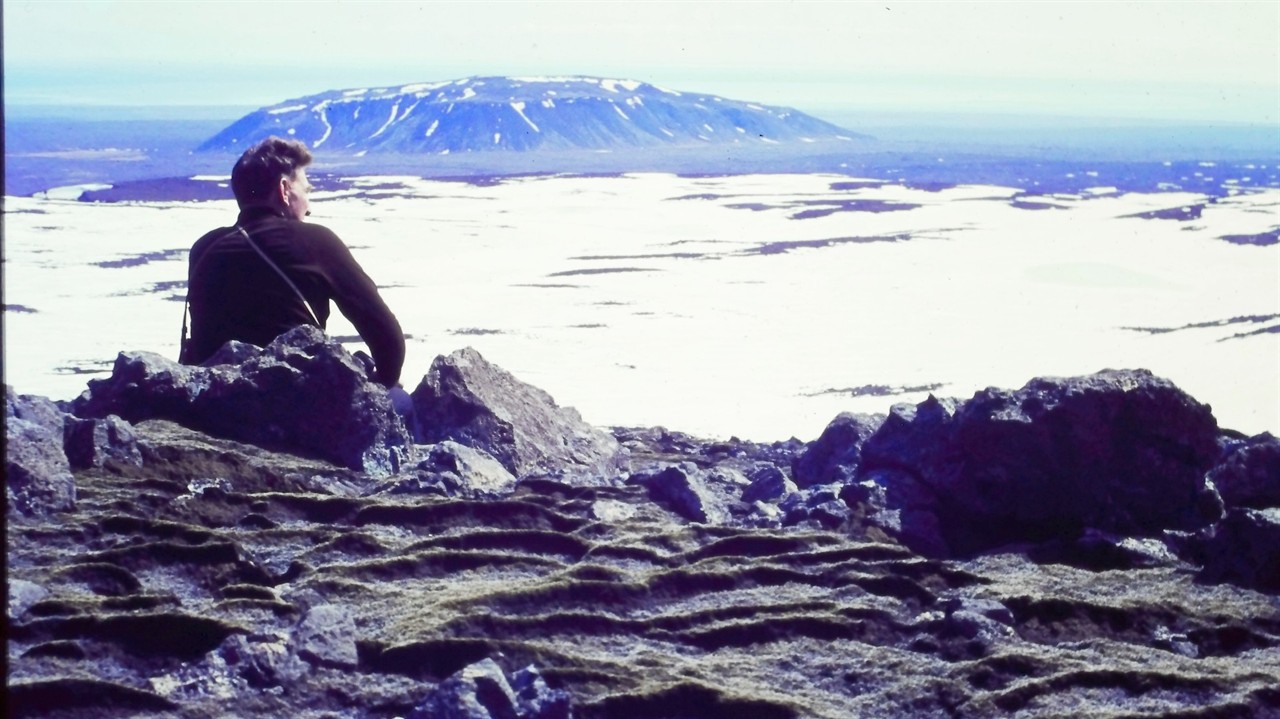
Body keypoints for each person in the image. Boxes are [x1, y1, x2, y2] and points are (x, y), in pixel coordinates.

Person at [182, 136, 405, 388]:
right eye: (306, 190)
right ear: (284, 190)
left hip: (214, 399)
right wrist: (383, 384)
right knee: (402, 402)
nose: (308, 208)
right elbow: (386, 335)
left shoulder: (204, 247)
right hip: (293, 399)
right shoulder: (315, 240)